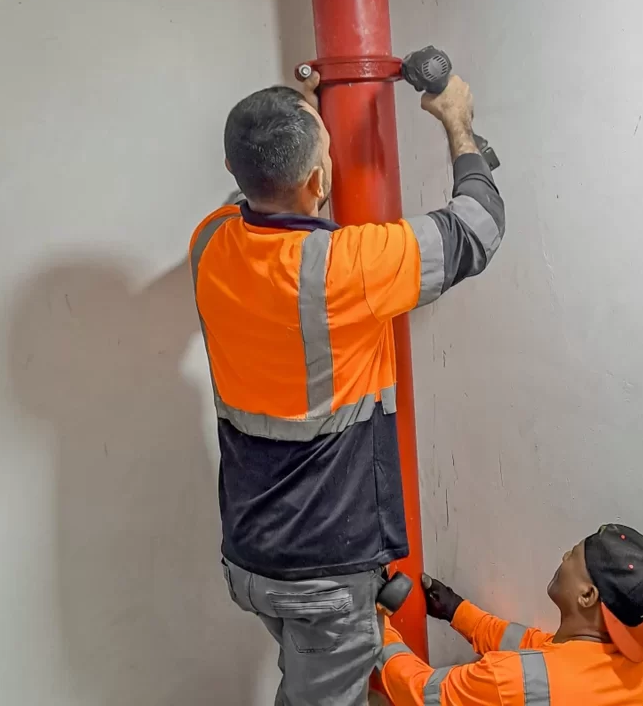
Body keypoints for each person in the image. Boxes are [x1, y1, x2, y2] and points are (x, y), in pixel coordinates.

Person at [189, 70, 504, 706]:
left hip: (251, 556)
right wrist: (458, 120)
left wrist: (295, 121)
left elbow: (258, 187)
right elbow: (478, 226)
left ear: (232, 167)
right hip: (323, 573)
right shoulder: (346, 268)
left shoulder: (211, 241)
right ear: (317, 181)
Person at [378, 524, 643, 705]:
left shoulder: (510, 679)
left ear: (587, 595)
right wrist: (456, 610)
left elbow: (419, 692)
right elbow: (533, 647)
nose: (564, 557)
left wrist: (376, 624)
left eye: (573, 555)